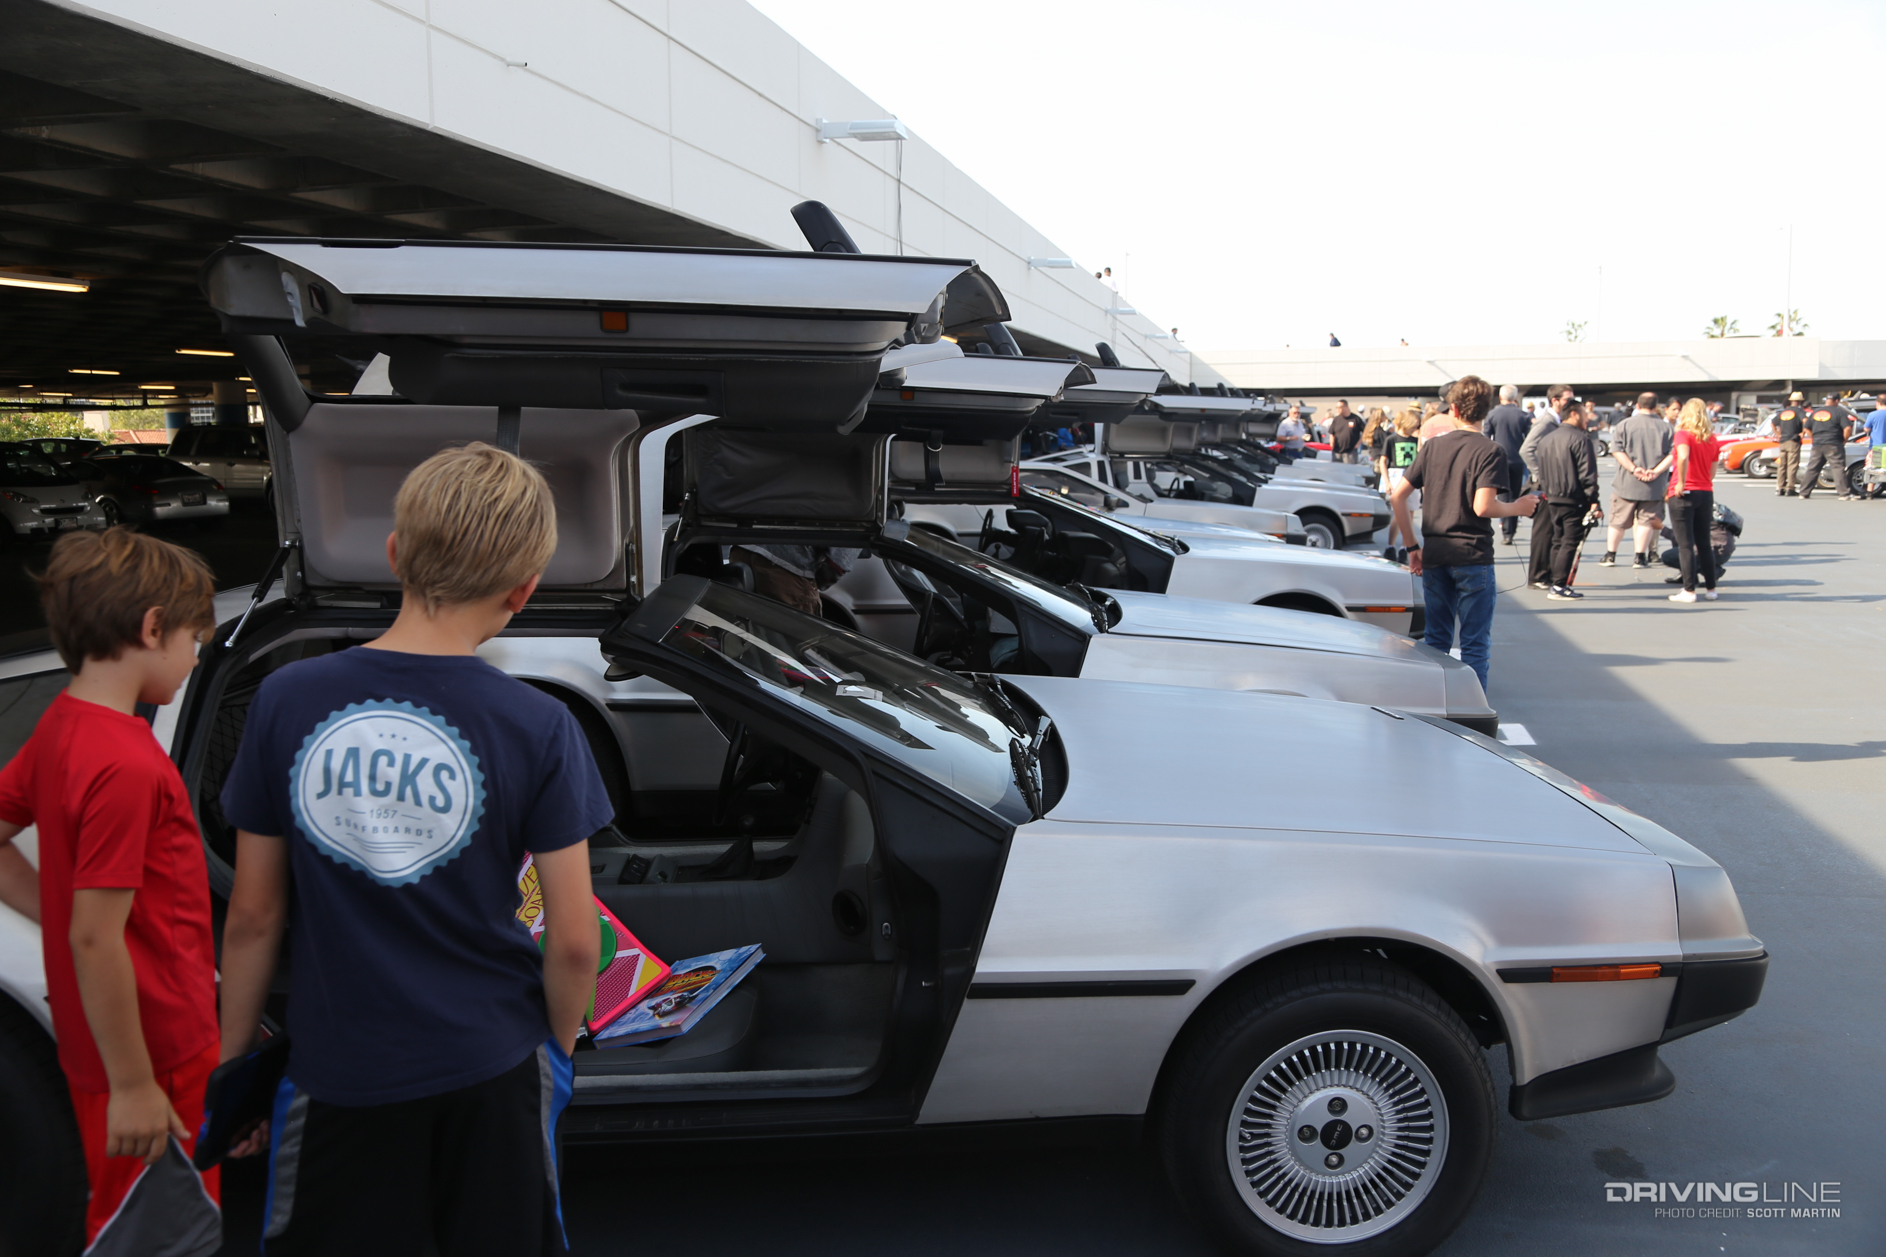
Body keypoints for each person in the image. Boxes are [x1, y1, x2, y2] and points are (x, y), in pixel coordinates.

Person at [217, 443, 608, 1256]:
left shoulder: (286, 698)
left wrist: (233, 1076)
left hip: (339, 1074)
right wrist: (556, 1060)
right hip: (493, 1065)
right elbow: (575, 939)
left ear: (394, 553)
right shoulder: (541, 726)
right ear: (525, 589)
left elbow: (255, 915)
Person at [0, 529, 222, 1250]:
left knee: (129, 1218)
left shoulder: (59, 727)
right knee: (159, 1232)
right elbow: (96, 936)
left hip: (104, 1044)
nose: (194, 661)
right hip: (155, 1052)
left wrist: (56, 911)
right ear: (153, 627)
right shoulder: (128, 764)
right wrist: (134, 1083)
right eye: (194, 640)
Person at [1388, 375, 1539, 689]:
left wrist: (1412, 545)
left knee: (1435, 641)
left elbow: (1398, 496)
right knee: (1474, 645)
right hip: (1472, 554)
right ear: (1487, 410)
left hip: (1435, 552)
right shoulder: (1490, 451)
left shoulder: (1432, 448)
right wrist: (1518, 507)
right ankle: (1470, 716)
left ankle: (1431, 706)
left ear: (1453, 409)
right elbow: (1483, 507)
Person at [1533, 401, 1601, 599]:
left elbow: (1540, 470)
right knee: (1570, 541)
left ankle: (1556, 581)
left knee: (1557, 540)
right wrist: (1593, 499)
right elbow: (1587, 474)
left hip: (1552, 496)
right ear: (1574, 414)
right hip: (1573, 496)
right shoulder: (1580, 439)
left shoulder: (1546, 439)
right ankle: (1560, 585)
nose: (1587, 418)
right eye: (1584, 414)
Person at [1601, 392, 1673, 569]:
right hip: (1654, 485)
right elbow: (1673, 454)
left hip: (1627, 483)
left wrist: (1634, 469)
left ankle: (1611, 555)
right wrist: (1655, 472)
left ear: (1638, 406)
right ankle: (1640, 557)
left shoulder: (1625, 425)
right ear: (1656, 407)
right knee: (1646, 521)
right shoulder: (1667, 428)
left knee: (1618, 521)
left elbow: (1617, 451)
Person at [1667, 398, 1723, 602]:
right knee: (1704, 543)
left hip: (1684, 492)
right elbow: (1713, 469)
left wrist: (1681, 482)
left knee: (1685, 544)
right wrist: (1704, 480)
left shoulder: (1682, 434)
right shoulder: (1712, 439)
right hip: (1705, 491)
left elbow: (1682, 456)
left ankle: (1689, 590)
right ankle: (1711, 589)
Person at [1520, 385, 1575, 588]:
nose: (1570, 403)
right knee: (1543, 531)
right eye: (1567, 399)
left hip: (1553, 484)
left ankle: (1546, 573)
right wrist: (1541, 474)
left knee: (1552, 530)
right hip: (1544, 484)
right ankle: (1537, 576)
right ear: (1555, 400)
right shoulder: (1546, 422)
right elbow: (1526, 450)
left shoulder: (1557, 422)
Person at [732, 544, 859, 615]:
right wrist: (818, 583)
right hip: (787, 563)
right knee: (797, 641)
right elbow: (839, 561)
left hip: (744, 547)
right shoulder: (861, 499)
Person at [1482, 384, 1533, 544]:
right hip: (1518, 459)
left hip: (1499, 460)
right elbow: (1530, 438)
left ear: (1500, 397)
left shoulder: (1492, 414)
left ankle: (1504, 530)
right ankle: (1511, 531)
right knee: (1515, 494)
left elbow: (1486, 436)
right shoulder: (1523, 415)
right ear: (1515, 397)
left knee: (1503, 495)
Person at [1380, 409, 1422, 560]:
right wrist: (1386, 481)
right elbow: (1383, 460)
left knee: (1410, 513)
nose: (1415, 428)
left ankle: (1405, 548)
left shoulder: (1416, 441)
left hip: (1413, 478)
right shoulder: (1391, 439)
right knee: (1398, 514)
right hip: (1397, 477)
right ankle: (1390, 546)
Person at [1799, 394, 1856, 500]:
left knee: (1813, 468)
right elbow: (1847, 428)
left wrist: (1814, 438)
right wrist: (1844, 440)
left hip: (1817, 444)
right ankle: (1844, 494)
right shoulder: (1839, 412)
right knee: (1837, 468)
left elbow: (1806, 428)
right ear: (1837, 400)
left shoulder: (1815, 412)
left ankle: (1803, 492)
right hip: (1833, 443)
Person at [1771, 392, 1805, 494]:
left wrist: (1777, 434)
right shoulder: (1799, 411)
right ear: (1800, 402)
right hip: (1793, 440)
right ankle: (1790, 488)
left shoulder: (1783, 412)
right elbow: (1806, 421)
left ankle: (1780, 487)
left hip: (1783, 441)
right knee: (1792, 465)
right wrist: (1802, 432)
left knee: (1782, 465)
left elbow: (1773, 423)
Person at [1863, 402, 1886, 499]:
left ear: (1878, 403)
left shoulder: (1872, 415)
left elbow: (1866, 429)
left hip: (1876, 447)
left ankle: (1869, 493)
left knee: (1872, 469)